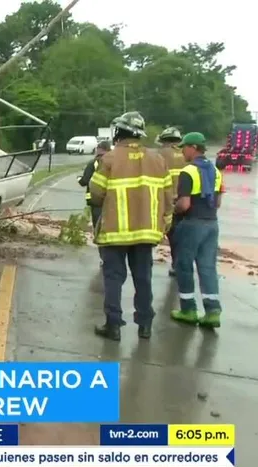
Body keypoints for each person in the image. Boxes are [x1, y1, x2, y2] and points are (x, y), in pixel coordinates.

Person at [89, 111, 174, 341]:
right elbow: (169, 196)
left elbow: (96, 194)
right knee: (143, 278)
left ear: (120, 131)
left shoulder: (109, 159)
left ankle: (113, 325)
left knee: (114, 278)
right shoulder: (157, 160)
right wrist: (165, 222)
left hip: (115, 234)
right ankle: (145, 325)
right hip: (146, 233)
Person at [170, 132, 225, 329]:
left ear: (193, 147)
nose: (182, 151)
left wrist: (173, 208)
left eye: (184, 147)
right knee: (208, 267)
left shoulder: (188, 171)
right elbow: (217, 202)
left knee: (183, 265)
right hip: (212, 224)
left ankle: (188, 309)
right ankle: (212, 312)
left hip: (192, 223)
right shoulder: (216, 171)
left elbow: (184, 204)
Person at [155, 127, 186, 277]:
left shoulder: (159, 155)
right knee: (184, 236)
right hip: (187, 201)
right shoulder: (185, 154)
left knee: (171, 235)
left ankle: (176, 265)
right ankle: (184, 265)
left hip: (167, 202)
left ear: (163, 141)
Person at [78, 140, 111, 231]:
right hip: (112, 199)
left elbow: (84, 181)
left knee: (98, 225)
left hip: (95, 199)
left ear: (100, 149)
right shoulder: (115, 162)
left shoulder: (93, 163)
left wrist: (79, 179)